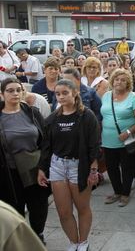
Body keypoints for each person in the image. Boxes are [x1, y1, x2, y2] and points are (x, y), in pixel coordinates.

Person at [37, 79, 100, 251]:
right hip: (57, 166)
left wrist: (93, 170)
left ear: (74, 93)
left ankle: (84, 242)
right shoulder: (52, 119)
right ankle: (74, 242)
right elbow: (46, 147)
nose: (61, 97)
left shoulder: (87, 116)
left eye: (65, 93)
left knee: (82, 208)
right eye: (58, 94)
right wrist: (42, 169)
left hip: (79, 166)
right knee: (63, 211)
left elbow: (94, 145)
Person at [0, 77, 49, 245]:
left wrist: (44, 166)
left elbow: (45, 140)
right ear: (2, 94)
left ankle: (38, 235)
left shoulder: (32, 112)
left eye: (18, 90)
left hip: (34, 168)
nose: (15, 93)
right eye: (10, 90)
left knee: (38, 205)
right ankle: (19, 240)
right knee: (14, 206)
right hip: (8, 172)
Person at [101, 69, 135, 207]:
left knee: (126, 167)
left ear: (128, 83)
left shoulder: (133, 98)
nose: (119, 82)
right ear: (112, 81)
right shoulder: (106, 96)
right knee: (111, 168)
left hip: (126, 140)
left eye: (123, 80)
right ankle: (117, 191)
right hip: (107, 140)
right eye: (117, 79)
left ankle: (125, 193)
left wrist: (128, 132)